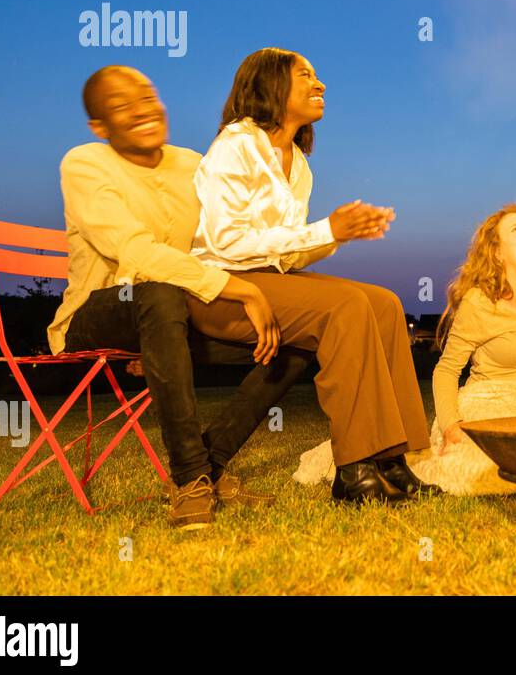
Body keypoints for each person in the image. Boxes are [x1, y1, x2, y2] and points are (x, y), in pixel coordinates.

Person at [185, 47, 435, 504]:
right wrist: (325, 229)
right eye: (306, 76)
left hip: (269, 281)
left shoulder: (298, 165)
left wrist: (337, 236)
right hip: (221, 290)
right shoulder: (236, 146)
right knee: (346, 306)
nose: (320, 85)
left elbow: (288, 257)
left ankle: (390, 463)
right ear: (270, 85)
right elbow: (224, 243)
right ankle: (354, 469)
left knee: (383, 304)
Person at [49, 65, 291, 530]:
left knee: (293, 338)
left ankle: (210, 465)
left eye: (147, 97)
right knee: (156, 292)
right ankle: (188, 480)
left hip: (170, 318)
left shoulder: (192, 164)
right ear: (99, 127)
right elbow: (134, 252)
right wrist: (240, 290)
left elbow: (222, 243)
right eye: (121, 106)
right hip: (96, 311)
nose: (141, 110)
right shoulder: (83, 163)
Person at [398, 205, 516, 495]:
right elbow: (446, 370)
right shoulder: (479, 303)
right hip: (486, 404)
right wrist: (450, 425)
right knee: (485, 470)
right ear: (497, 253)